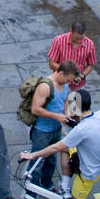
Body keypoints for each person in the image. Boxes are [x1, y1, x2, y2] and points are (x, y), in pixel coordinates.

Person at [20, 89, 100, 199]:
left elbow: (55, 148)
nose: (67, 107)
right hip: (99, 162)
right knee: (66, 149)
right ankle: (65, 187)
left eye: (69, 104)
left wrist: (33, 155)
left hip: (88, 173)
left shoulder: (82, 130)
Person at [28, 61, 81, 191]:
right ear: (61, 73)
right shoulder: (45, 86)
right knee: (37, 163)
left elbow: (64, 100)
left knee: (51, 160)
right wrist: (56, 116)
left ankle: (47, 184)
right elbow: (35, 109)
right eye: (68, 79)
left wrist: (67, 114)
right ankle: (31, 194)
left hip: (56, 129)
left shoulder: (65, 84)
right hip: (42, 131)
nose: (69, 83)